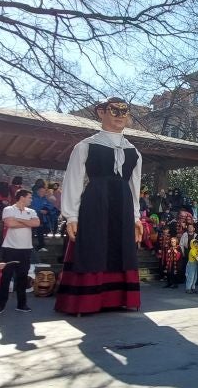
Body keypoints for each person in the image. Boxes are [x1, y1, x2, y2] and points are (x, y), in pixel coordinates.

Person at [56, 96, 143, 315]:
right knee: (92, 246)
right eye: (115, 110)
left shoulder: (134, 152)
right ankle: (86, 301)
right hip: (95, 201)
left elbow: (135, 188)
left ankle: (119, 298)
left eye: (125, 112)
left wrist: (135, 217)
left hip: (122, 204)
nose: (120, 116)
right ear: (101, 112)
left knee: (121, 247)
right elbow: (73, 180)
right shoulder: (85, 145)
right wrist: (71, 216)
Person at [0, 189, 39, 314]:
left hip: (26, 249)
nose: (31, 199)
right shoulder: (8, 209)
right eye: (29, 197)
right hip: (10, 248)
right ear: (22, 197)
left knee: (22, 278)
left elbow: (36, 223)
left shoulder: (32, 211)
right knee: (6, 278)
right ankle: (0, 305)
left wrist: (20, 220)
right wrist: (27, 222)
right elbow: (10, 223)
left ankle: (22, 304)